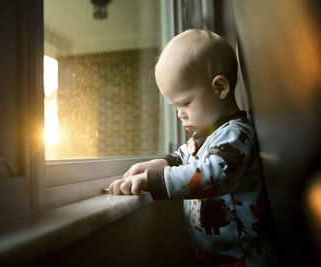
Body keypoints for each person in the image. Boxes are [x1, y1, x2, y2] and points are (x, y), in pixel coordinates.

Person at [109, 29, 276, 266]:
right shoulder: (207, 136)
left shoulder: (236, 134)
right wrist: (160, 163)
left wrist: (155, 180)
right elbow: (183, 156)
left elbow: (213, 173)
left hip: (243, 257)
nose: (180, 114)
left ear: (219, 88)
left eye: (185, 103)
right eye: (174, 106)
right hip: (212, 254)